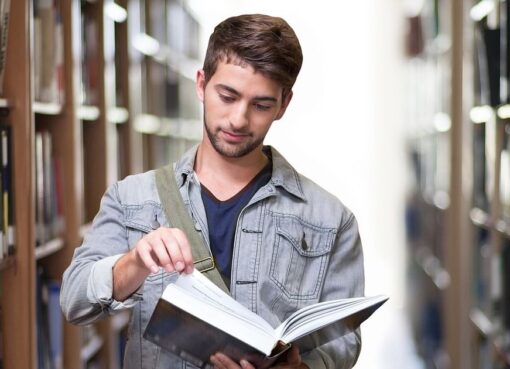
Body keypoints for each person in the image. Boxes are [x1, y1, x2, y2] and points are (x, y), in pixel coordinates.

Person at [61, 13, 365, 369]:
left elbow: (344, 342)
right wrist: (135, 263)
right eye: (228, 95)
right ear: (202, 84)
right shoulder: (132, 199)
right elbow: (74, 300)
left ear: (283, 105)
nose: (239, 119)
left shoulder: (331, 220)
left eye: (261, 105)